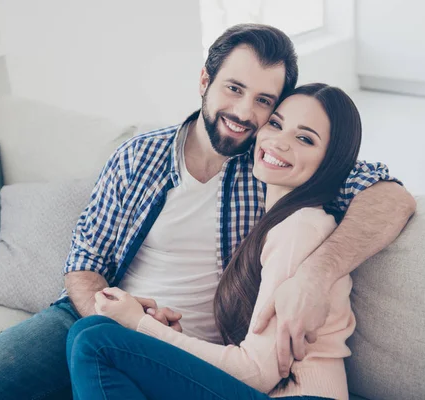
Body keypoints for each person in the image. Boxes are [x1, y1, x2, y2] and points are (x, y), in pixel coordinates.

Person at [0, 24, 415, 400]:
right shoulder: (139, 156)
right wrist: (119, 316)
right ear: (205, 80)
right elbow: (84, 262)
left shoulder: (272, 165)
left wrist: (316, 272)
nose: (244, 113)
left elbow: (391, 196)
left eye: (264, 101)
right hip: (101, 318)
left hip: (193, 351)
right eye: (233, 89)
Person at [66, 82, 360, 400]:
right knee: (86, 332)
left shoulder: (299, 228)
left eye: (304, 138)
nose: (279, 142)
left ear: (331, 161)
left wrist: (141, 324)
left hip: (299, 395)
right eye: (275, 124)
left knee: (96, 343)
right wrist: (162, 334)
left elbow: (257, 373)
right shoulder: (277, 219)